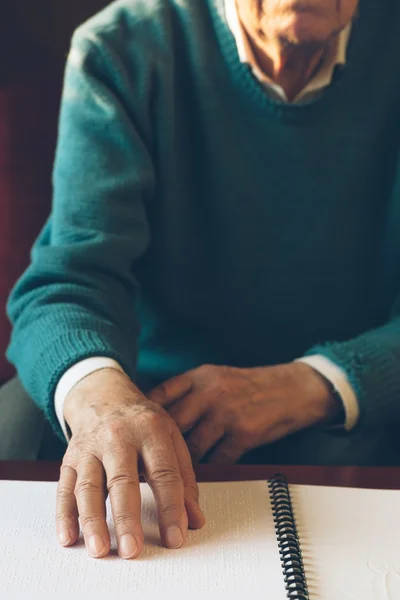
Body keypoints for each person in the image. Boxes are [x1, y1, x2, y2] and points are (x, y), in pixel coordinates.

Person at [1, 0, 400, 560]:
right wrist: (105, 399)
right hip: (160, 405)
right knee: (18, 423)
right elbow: (70, 278)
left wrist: (315, 384)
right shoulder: (122, 49)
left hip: (355, 407)